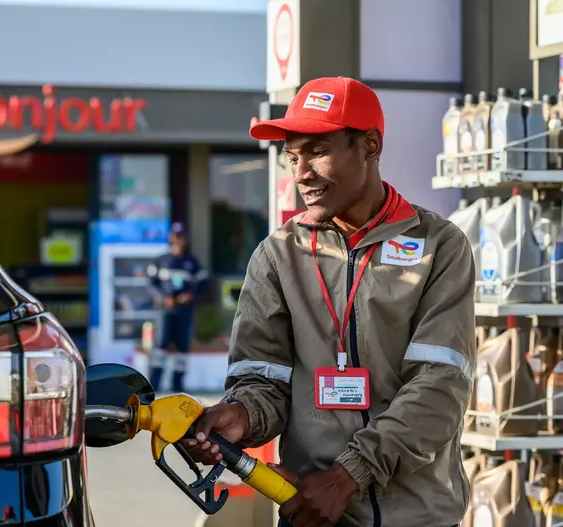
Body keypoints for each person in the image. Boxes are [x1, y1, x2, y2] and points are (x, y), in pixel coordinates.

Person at [182, 77, 475, 527]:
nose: (301, 173)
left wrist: (348, 476)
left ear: (370, 145)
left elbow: (439, 387)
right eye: (294, 157)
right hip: (310, 514)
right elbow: (264, 382)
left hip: (418, 517)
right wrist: (240, 416)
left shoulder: (440, 246)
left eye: (318, 151)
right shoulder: (278, 255)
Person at [147, 222, 209, 392]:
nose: (178, 240)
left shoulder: (192, 261)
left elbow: (203, 283)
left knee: (182, 348)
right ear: (170, 238)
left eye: (181, 237)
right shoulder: (161, 260)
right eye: (175, 236)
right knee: (160, 347)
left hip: (184, 311)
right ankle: (155, 384)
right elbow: (151, 284)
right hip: (165, 311)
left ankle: (178, 385)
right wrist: (163, 298)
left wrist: (190, 296)